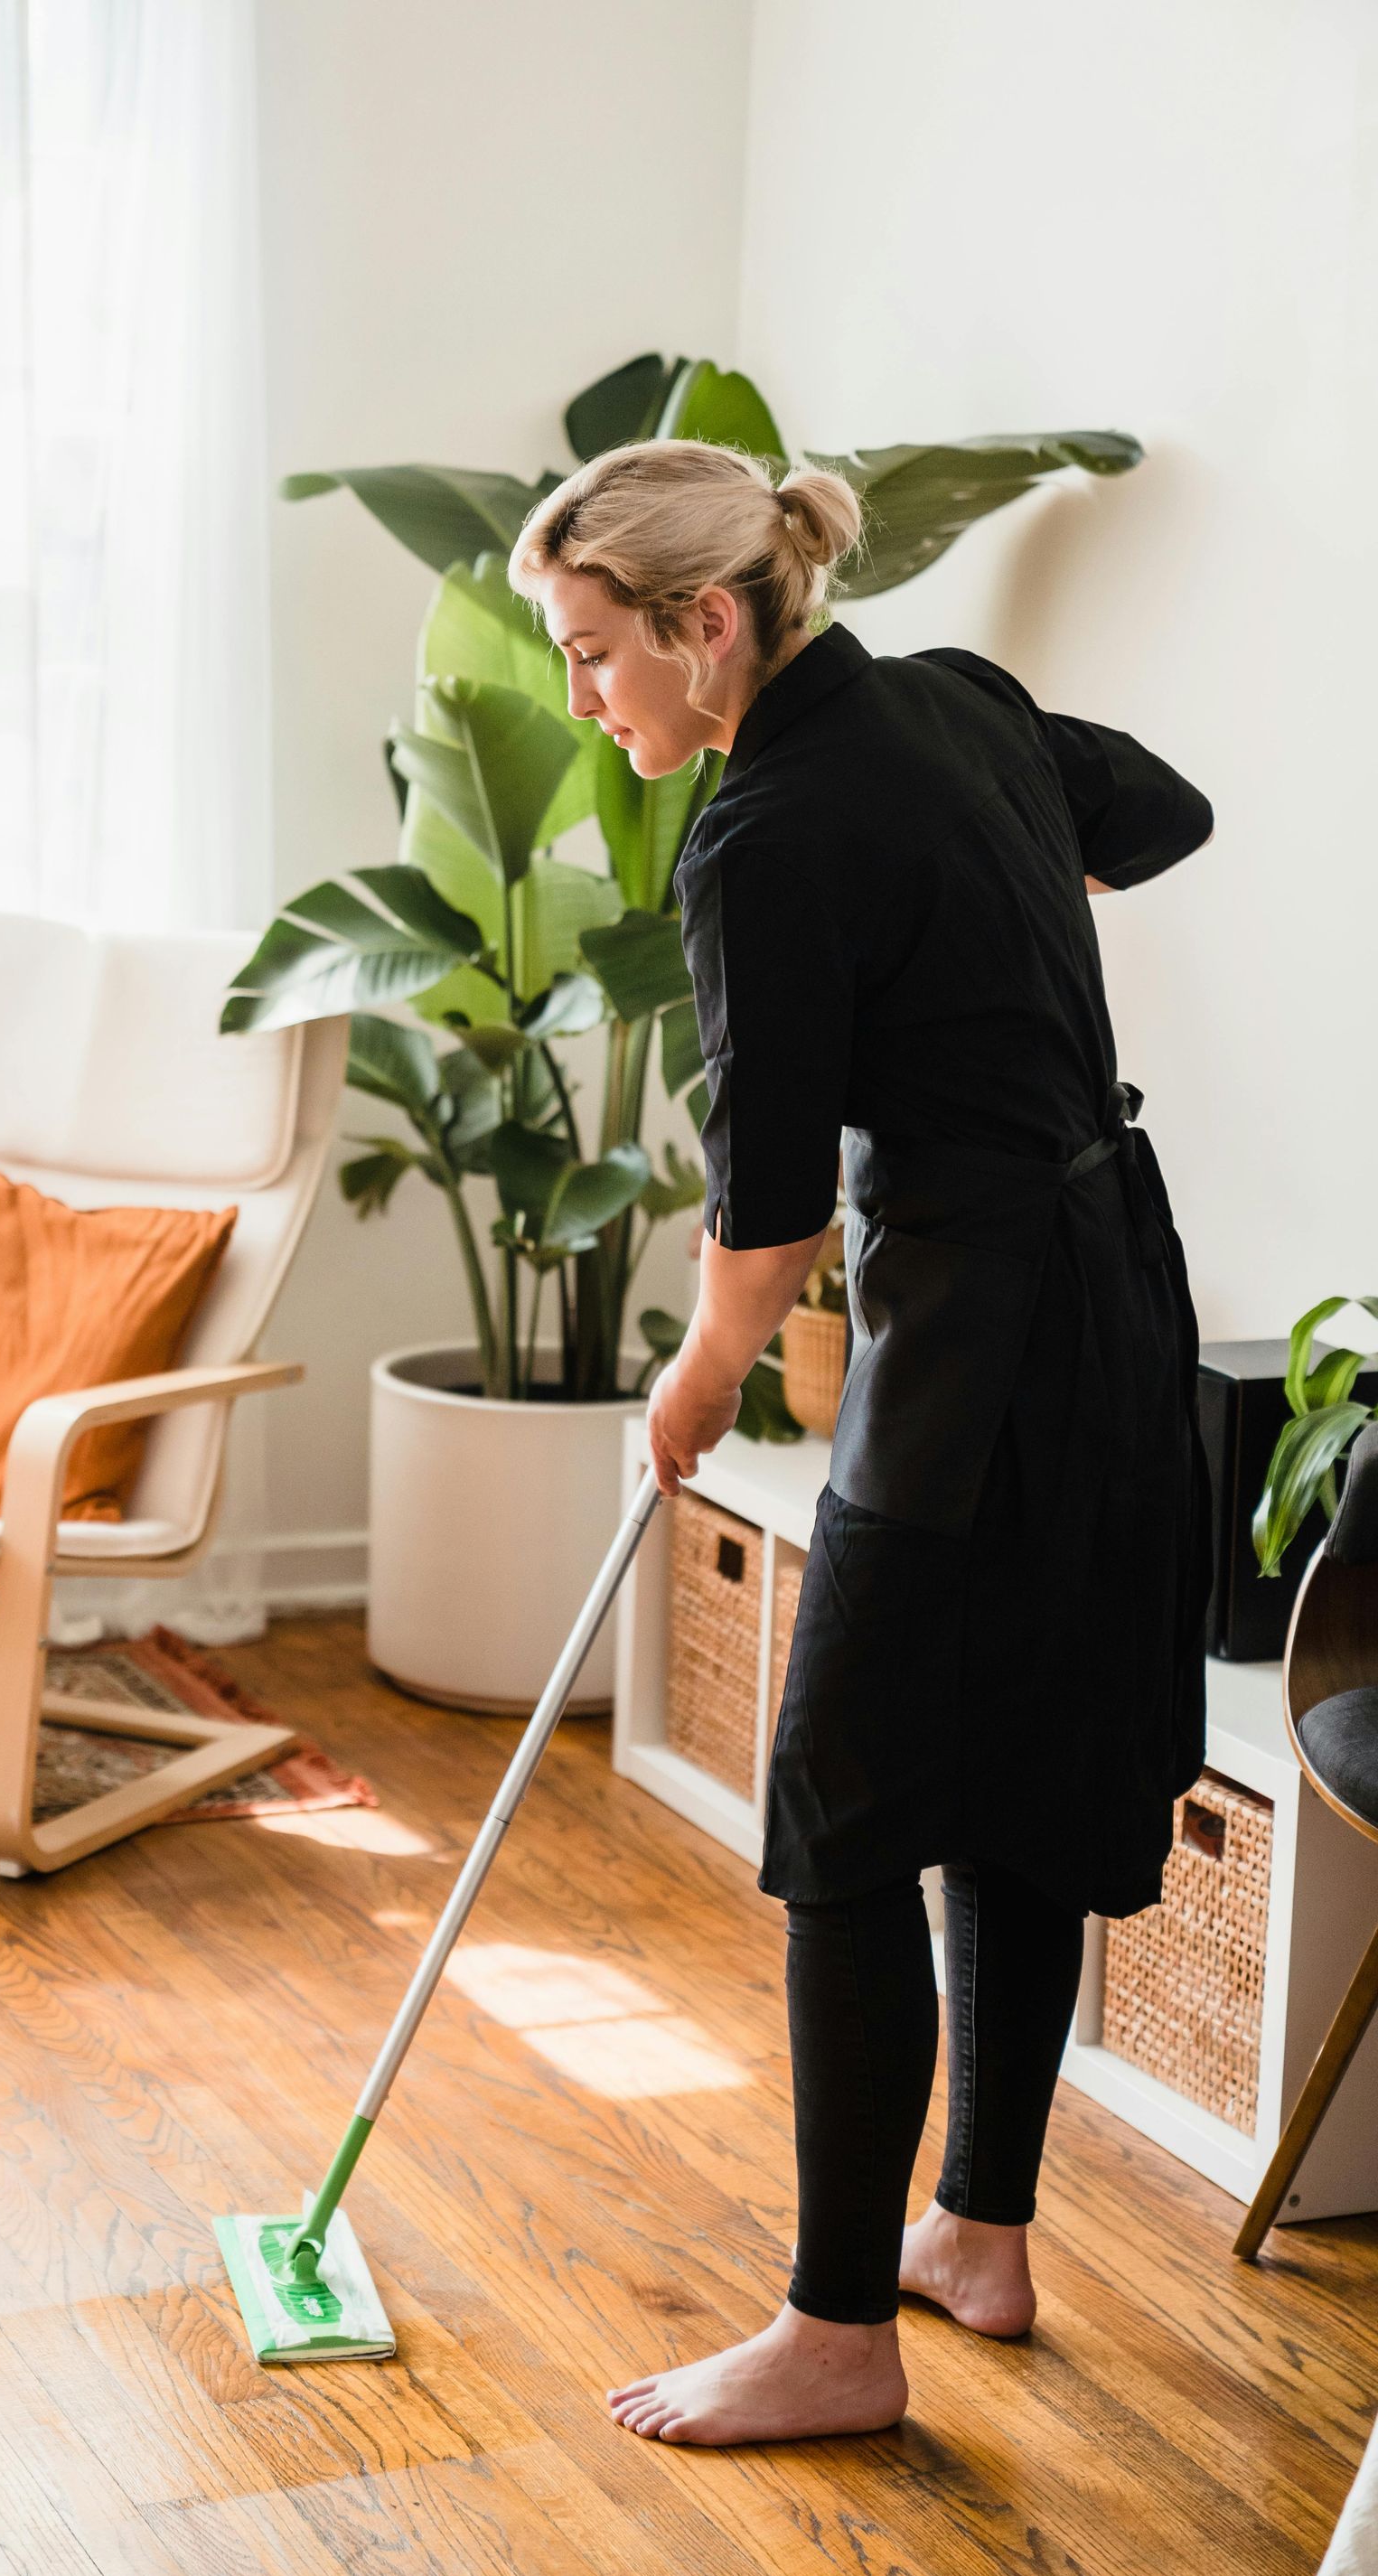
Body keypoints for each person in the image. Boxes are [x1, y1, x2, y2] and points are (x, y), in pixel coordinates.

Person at [509, 440, 1214, 2446]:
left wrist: (700, 1376)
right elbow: (1164, 813)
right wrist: (997, 896)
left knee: (841, 1809)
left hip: (980, 1333)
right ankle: (976, 2233)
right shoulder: (958, 706)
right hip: (1113, 1296)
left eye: (593, 654)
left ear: (707, 624)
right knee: (1000, 1773)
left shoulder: (767, 830)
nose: (585, 699)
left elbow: (770, 1214)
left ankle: (839, 2331)